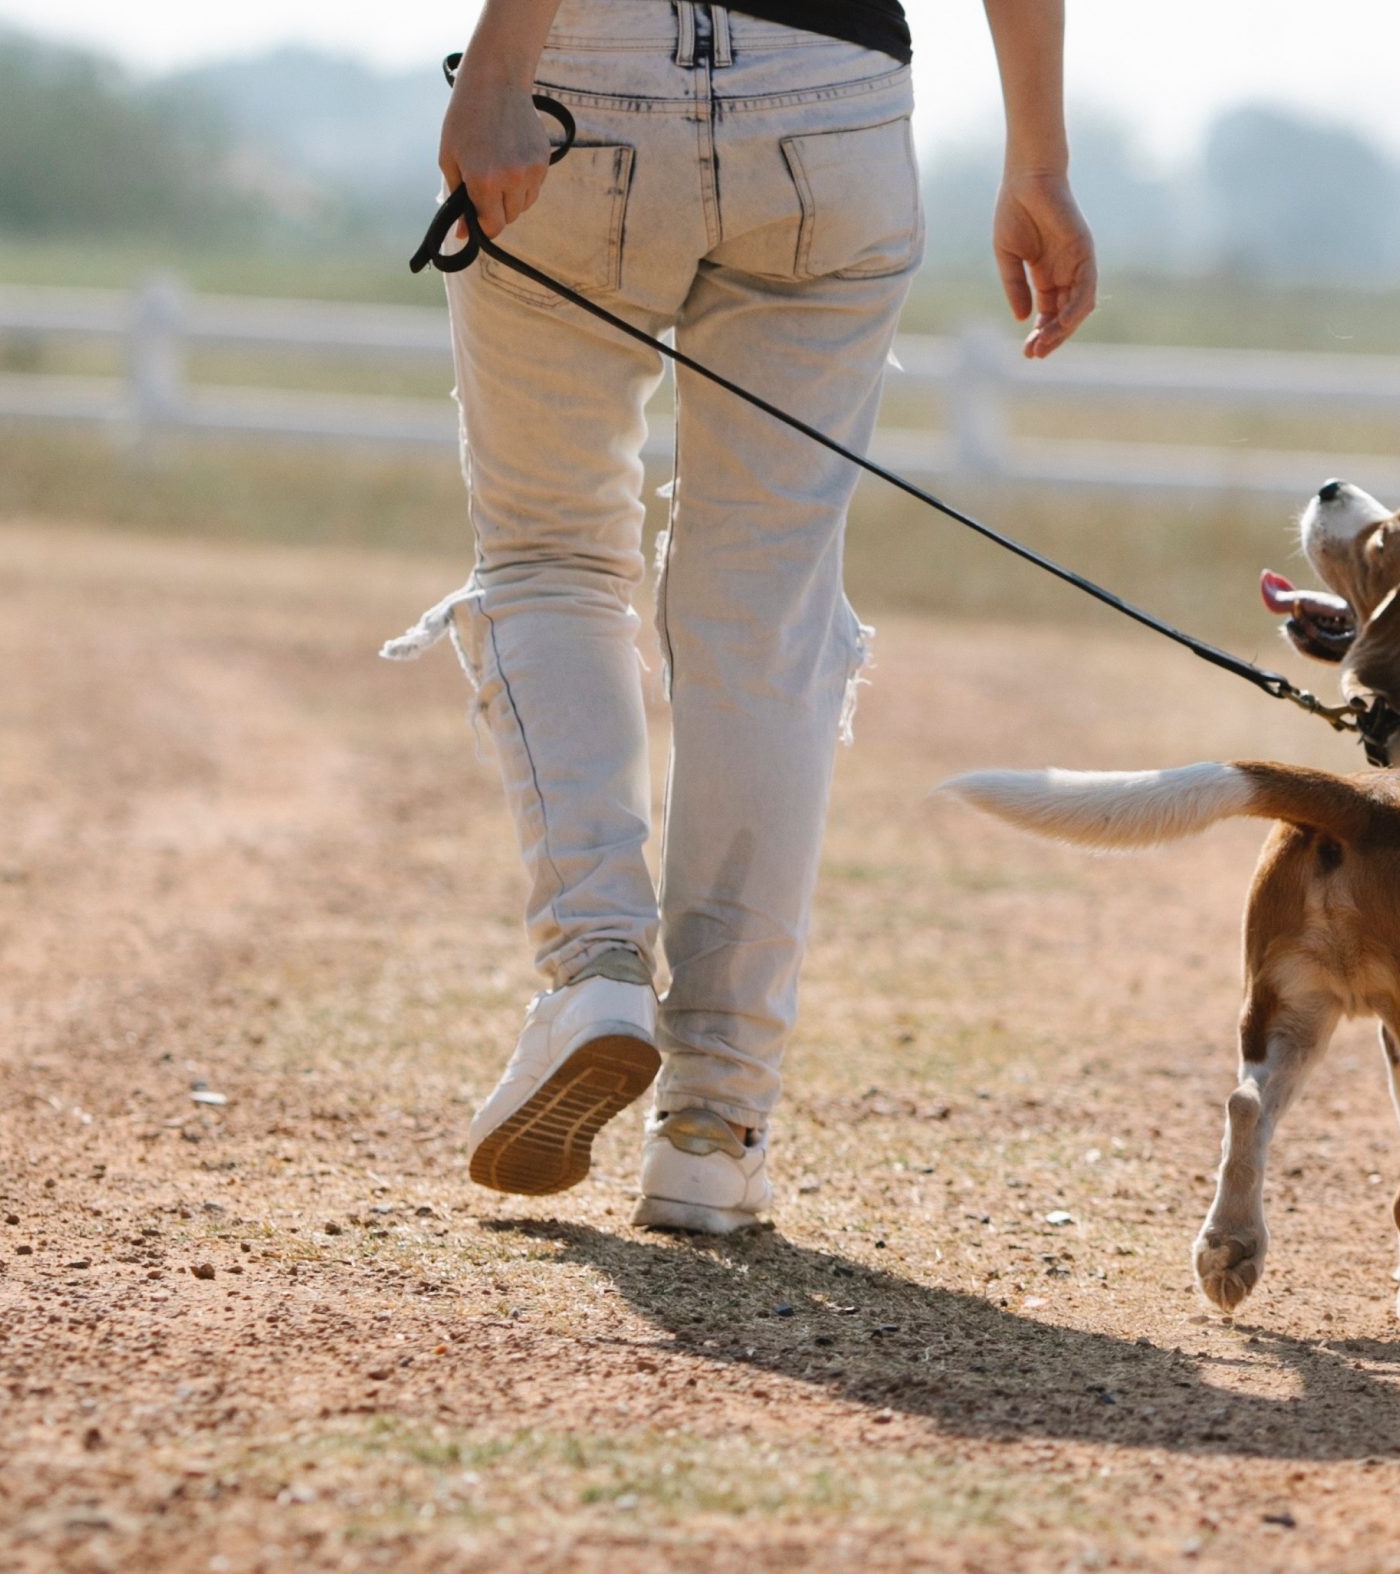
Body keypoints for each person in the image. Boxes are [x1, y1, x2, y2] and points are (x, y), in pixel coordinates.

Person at [386, 0, 1095, 1232]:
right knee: (760, 610)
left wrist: (500, 67)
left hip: (582, 83)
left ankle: (597, 971)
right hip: (836, 107)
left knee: (553, 553)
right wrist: (1038, 158)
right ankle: (716, 1117)